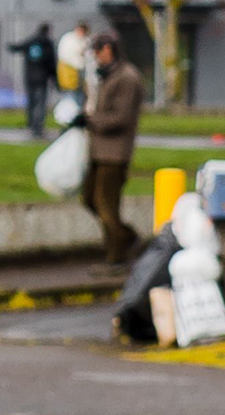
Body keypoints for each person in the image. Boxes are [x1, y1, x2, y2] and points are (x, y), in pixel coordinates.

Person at [71, 32, 142, 266]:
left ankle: (117, 256)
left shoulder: (127, 78)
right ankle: (125, 238)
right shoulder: (106, 76)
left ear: (108, 49)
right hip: (98, 150)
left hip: (115, 153)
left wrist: (90, 121)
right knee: (90, 199)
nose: (94, 55)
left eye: (97, 50)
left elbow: (120, 117)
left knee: (106, 206)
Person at [8, 23, 57, 138]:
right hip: (42, 79)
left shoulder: (31, 41)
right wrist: (55, 78)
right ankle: (38, 128)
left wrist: (10, 46)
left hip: (29, 78)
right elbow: (51, 62)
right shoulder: (47, 43)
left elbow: (17, 47)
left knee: (31, 102)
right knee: (40, 103)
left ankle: (31, 125)